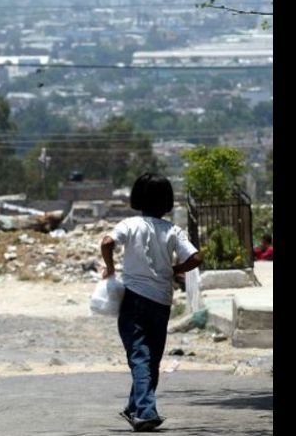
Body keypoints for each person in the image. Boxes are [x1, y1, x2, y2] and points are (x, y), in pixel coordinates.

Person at [100, 173, 202, 432]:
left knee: (140, 356)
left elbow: (107, 242)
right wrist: (175, 269)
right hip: (162, 301)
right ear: (167, 201)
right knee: (150, 358)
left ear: (137, 197)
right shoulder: (173, 230)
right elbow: (196, 258)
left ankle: (145, 411)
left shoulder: (130, 224)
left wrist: (110, 268)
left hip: (133, 300)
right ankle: (134, 408)